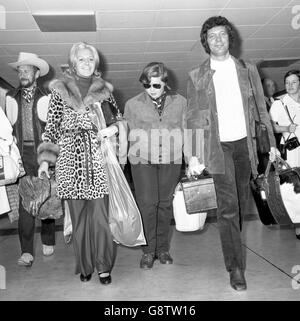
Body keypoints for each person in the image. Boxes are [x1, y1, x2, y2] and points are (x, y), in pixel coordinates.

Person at [186, 16, 276, 291]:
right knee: (227, 208)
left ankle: (231, 247)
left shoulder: (247, 69)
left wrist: (270, 142)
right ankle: (235, 268)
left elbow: (261, 108)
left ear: (229, 38)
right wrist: (193, 154)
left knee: (239, 207)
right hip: (217, 147)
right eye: (211, 36)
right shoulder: (196, 76)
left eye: (221, 34)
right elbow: (192, 118)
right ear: (206, 42)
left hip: (244, 145)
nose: (217, 39)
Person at [37, 42, 122, 284]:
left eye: (90, 59)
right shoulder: (59, 91)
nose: (86, 63)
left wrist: (113, 129)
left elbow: (118, 118)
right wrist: (45, 161)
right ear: (74, 63)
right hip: (69, 162)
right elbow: (51, 128)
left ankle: (103, 266)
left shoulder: (104, 91)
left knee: (100, 221)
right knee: (80, 222)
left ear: (96, 64)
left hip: (97, 161)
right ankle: (85, 265)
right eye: (81, 59)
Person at [124, 62, 187, 269]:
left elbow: (186, 131)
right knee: (148, 204)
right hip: (142, 160)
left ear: (165, 84)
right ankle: (148, 251)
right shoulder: (132, 104)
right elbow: (126, 134)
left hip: (171, 158)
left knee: (165, 204)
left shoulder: (180, 102)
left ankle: (163, 249)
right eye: (147, 85)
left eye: (156, 86)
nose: (151, 90)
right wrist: (120, 161)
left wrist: (192, 158)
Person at [5, 52, 56, 267]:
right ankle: (26, 251)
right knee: (26, 202)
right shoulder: (10, 98)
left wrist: (50, 157)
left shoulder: (49, 96)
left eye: (27, 70)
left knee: (45, 197)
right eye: (20, 70)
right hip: (21, 154)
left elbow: (54, 130)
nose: (23, 73)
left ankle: (48, 238)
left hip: (43, 152)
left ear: (37, 73)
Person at [269, 69, 300, 240]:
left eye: (294, 82)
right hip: (292, 150)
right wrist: (287, 128)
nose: (290, 86)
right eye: (287, 83)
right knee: (295, 188)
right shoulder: (279, 104)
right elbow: (271, 126)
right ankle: (298, 227)